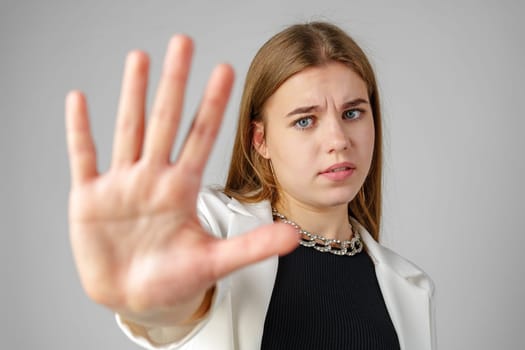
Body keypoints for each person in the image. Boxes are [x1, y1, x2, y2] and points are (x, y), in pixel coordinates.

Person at [65, 22, 436, 350]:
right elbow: (179, 309)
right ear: (260, 140)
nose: (338, 139)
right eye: (305, 121)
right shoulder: (212, 231)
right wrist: (164, 303)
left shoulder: (406, 285)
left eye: (352, 113)